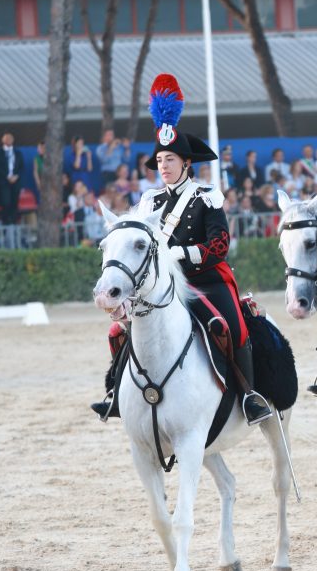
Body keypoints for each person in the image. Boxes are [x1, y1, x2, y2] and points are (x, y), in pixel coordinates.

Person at [91, 74, 272, 426]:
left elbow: (220, 244)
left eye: (170, 160)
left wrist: (179, 255)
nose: (164, 166)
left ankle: (249, 394)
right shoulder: (149, 200)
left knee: (231, 325)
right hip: (160, 285)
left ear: (186, 163)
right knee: (118, 331)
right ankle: (115, 391)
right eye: (160, 161)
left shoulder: (207, 196)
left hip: (204, 279)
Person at [0, 131, 24, 225]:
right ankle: (6, 222)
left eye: (10, 138)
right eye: (6, 138)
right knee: (6, 202)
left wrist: (16, 176)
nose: (8, 140)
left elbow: (21, 167)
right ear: (2, 140)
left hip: (16, 181)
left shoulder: (17, 153)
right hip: (4, 182)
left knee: (15, 203)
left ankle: (14, 222)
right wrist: (7, 176)